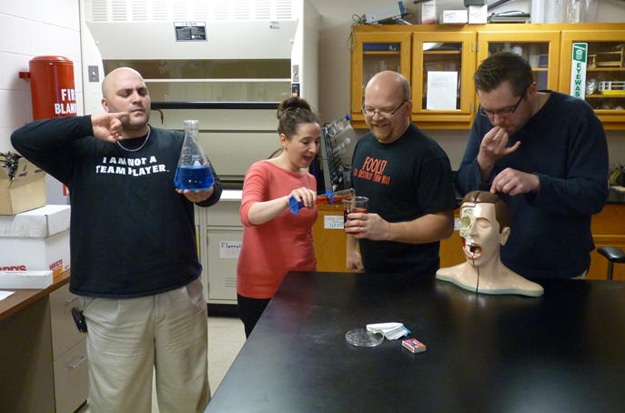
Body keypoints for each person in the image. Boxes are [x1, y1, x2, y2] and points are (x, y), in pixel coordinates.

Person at [11, 67, 222, 413]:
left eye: (142, 91)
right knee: (118, 403)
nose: (137, 98)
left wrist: (205, 193)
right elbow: (24, 139)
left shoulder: (176, 144)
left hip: (179, 295)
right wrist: (86, 125)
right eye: (125, 93)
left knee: (188, 397)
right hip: (112, 301)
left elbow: (213, 190)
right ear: (106, 104)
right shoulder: (82, 150)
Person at [455, 51, 609, 280]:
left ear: (531, 90)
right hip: (497, 263)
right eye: (489, 111)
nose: (496, 121)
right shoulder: (485, 119)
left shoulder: (577, 117)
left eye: (506, 110)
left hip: (559, 268)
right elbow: (465, 189)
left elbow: (593, 195)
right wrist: (484, 162)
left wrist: (536, 183)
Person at [345, 70, 457, 276]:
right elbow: (356, 200)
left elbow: (444, 224)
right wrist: (351, 248)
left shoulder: (429, 156)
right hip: (370, 272)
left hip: (413, 277)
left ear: (408, 108)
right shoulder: (363, 146)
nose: (376, 118)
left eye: (386, 110)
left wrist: (388, 230)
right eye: (369, 109)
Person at [236, 96, 321, 338]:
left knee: (299, 351)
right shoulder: (262, 171)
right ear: (284, 140)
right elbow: (249, 214)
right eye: (305, 142)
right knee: (264, 355)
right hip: (263, 286)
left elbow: (302, 231)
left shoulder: (309, 179)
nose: (313, 149)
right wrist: (287, 199)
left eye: (316, 142)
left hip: (301, 281)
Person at [436, 191, 544, 297]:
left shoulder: (522, 286)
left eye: (483, 225)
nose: (471, 232)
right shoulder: (447, 275)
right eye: (465, 222)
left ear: (504, 235)